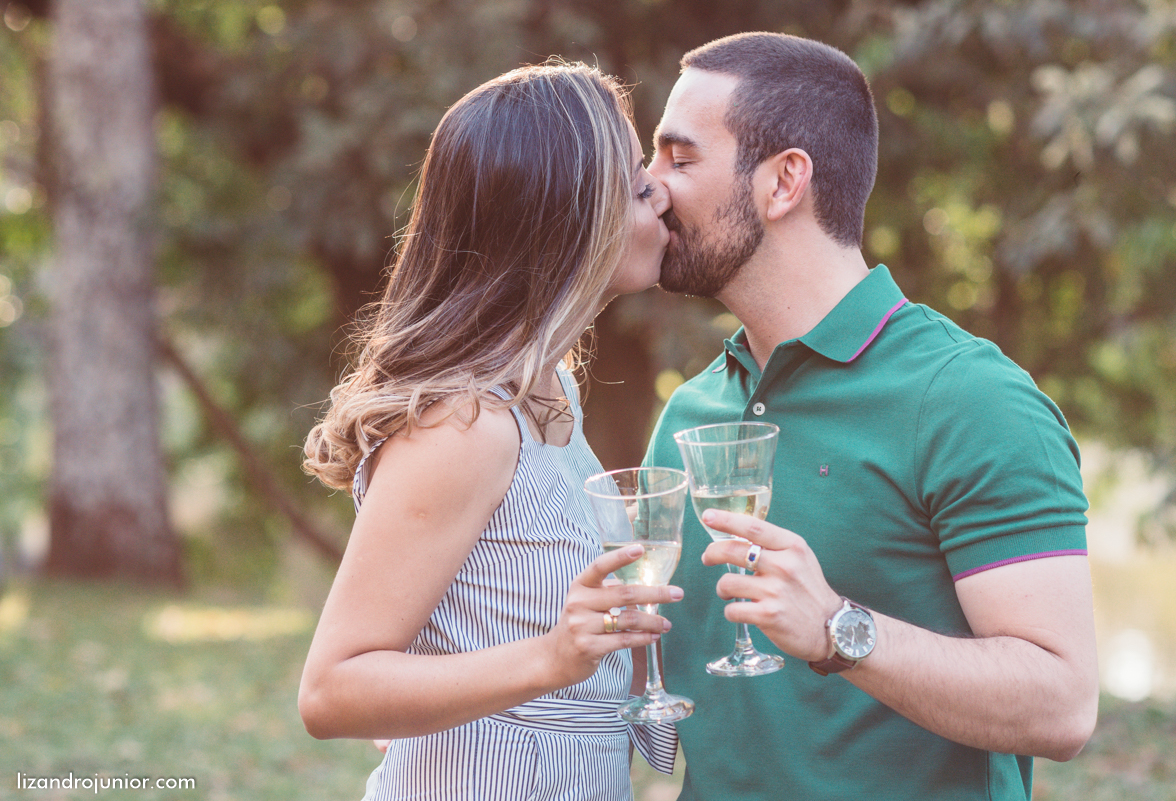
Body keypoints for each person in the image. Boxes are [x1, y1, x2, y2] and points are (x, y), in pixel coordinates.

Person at [641, 32, 1098, 800]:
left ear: (784, 181)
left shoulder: (970, 398)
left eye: (679, 159)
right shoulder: (692, 410)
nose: (650, 187)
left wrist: (839, 630)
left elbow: (1063, 703)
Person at [298, 61, 681, 801]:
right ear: (573, 224)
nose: (661, 192)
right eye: (637, 186)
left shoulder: (549, 389)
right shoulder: (462, 424)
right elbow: (331, 689)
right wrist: (552, 657)